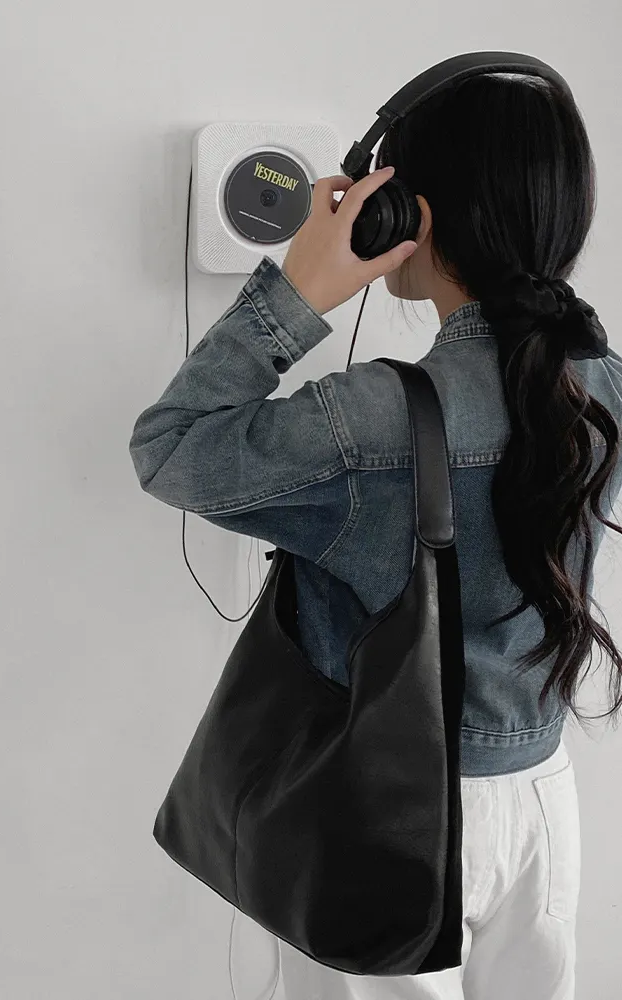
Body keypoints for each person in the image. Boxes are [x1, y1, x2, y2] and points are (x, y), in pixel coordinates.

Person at [129, 72, 622, 999]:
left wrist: (297, 292)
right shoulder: (604, 387)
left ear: (407, 214)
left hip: (388, 812)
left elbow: (170, 450)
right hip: (540, 802)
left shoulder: (374, 419)